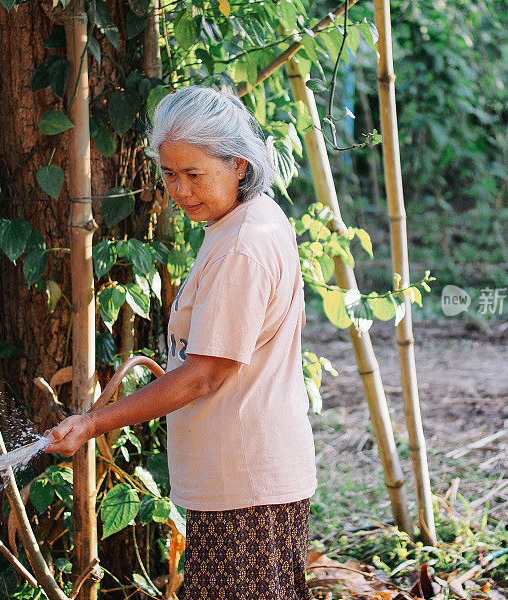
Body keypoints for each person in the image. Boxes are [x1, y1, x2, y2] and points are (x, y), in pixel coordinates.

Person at [44, 85, 317, 599]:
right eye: (170, 174)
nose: (181, 190)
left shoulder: (244, 245)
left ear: (238, 164)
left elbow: (204, 374)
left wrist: (93, 423)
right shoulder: (248, 218)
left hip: (245, 484)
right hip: (248, 476)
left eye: (195, 174)